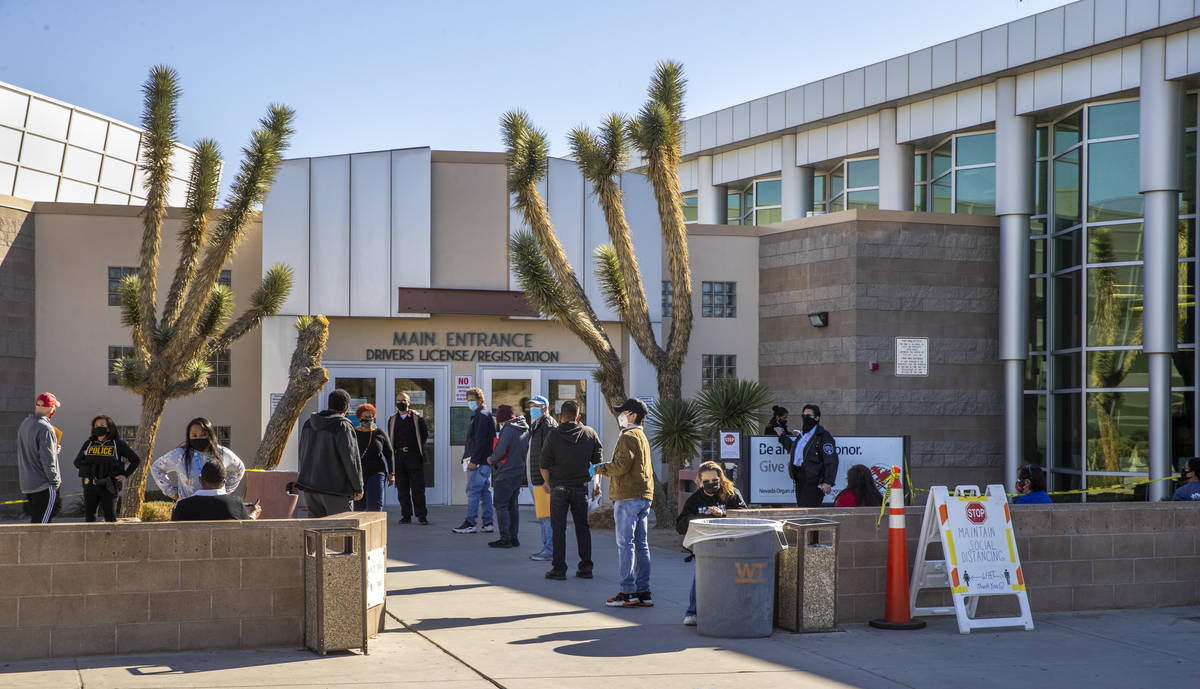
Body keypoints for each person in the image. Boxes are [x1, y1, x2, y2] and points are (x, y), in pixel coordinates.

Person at [595, 398, 655, 608]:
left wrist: (599, 468)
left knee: (625, 544)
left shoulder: (628, 436)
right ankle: (643, 592)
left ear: (633, 415)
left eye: (624, 412)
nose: (621, 416)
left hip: (627, 496)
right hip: (643, 495)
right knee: (641, 545)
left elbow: (620, 467)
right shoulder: (641, 436)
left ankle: (627, 592)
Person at [675, 461, 748, 626]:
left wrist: (723, 514)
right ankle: (693, 612)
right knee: (700, 577)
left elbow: (745, 517)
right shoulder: (695, 500)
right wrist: (704, 519)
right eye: (706, 481)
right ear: (699, 481)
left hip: (732, 545)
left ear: (720, 478)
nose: (710, 484)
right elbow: (680, 525)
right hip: (705, 545)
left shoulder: (731, 494)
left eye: (714, 480)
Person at [540, 399, 602, 580]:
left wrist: (548, 483)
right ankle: (586, 568)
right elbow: (598, 464)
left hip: (559, 488)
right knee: (583, 528)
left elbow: (543, 465)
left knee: (558, 529)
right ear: (578, 416)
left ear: (560, 417)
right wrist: (596, 487)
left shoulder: (553, 435)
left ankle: (559, 569)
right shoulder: (589, 434)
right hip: (581, 488)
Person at [296, 389, 363, 517]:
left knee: (315, 532)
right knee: (341, 531)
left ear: (329, 404)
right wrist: (358, 487)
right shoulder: (342, 426)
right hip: (336, 489)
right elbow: (351, 460)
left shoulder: (309, 424)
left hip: (311, 487)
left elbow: (302, 454)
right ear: (347, 407)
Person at [151, 417, 245, 502]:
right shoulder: (180, 455)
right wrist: (172, 493)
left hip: (216, 507)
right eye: (194, 436)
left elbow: (239, 469)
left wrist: (225, 491)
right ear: (189, 437)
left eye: (203, 434)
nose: (199, 438)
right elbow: (156, 468)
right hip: (188, 509)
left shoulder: (222, 453)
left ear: (210, 435)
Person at [73, 414, 141, 522]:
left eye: (102, 425)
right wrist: (86, 458)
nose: (98, 427)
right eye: (96, 426)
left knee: (110, 517)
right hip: (91, 485)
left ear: (109, 428)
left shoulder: (118, 444)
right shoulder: (89, 444)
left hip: (109, 485)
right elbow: (77, 463)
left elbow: (135, 460)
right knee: (89, 518)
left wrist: (124, 475)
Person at [453, 387, 495, 534]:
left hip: (478, 462)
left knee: (473, 492)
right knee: (484, 492)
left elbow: (480, 441)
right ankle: (488, 523)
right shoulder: (483, 414)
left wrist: (474, 461)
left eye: (473, 400)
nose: (470, 403)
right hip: (483, 462)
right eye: (468, 400)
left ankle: (470, 523)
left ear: (480, 399)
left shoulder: (481, 416)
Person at [17, 392, 63, 523]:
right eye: (54, 407)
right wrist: (55, 481)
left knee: (36, 523)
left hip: (28, 483)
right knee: (42, 527)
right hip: (44, 484)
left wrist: (54, 450)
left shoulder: (25, 424)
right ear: (51, 407)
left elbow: (32, 451)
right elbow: (47, 459)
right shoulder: (46, 428)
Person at [488, 404, 529, 548]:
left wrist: (491, 459)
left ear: (502, 419)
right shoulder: (523, 428)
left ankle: (505, 538)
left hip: (505, 474)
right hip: (518, 473)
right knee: (513, 506)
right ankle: (514, 538)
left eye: (499, 422)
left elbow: (500, 451)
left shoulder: (508, 429)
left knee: (501, 506)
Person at [171, 458, 262, 521]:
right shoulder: (236, 504)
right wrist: (254, 513)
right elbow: (247, 524)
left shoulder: (182, 506)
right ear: (224, 482)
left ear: (200, 480)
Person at [388, 391, 430, 524]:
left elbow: (424, 435)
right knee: (402, 489)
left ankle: (421, 515)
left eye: (403, 400)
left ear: (409, 402)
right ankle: (406, 515)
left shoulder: (417, 418)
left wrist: (416, 450)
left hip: (414, 456)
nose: (401, 403)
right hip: (399, 457)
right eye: (398, 401)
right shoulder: (393, 419)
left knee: (417, 488)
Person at [526, 395, 558, 561]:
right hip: (537, 479)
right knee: (543, 515)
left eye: (536, 406)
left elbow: (551, 455)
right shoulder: (536, 425)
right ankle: (547, 547)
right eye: (531, 406)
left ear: (545, 407)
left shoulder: (548, 425)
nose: (532, 409)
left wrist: (548, 480)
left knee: (547, 517)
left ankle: (549, 550)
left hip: (544, 480)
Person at [788, 404, 838, 507]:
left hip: (814, 480)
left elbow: (831, 459)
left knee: (809, 510)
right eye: (803, 415)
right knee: (802, 509)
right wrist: (782, 437)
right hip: (800, 479)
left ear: (817, 418)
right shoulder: (802, 435)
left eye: (808, 416)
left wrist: (828, 481)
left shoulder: (823, 436)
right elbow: (793, 450)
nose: (805, 418)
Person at [352, 404, 394, 512]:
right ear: (359, 418)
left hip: (376, 472)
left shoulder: (379, 433)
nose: (368, 419)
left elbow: (389, 453)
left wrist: (392, 473)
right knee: (358, 507)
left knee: (375, 505)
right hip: (358, 474)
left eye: (371, 417)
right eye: (365, 417)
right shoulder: (353, 434)